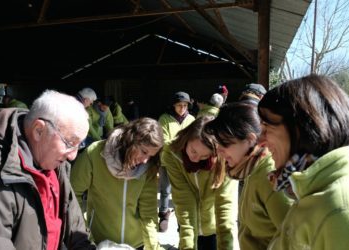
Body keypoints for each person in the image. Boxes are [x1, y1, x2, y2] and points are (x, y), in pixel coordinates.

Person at [0, 90, 96, 249]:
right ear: (38, 130)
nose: (73, 156)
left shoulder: (55, 165)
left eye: (79, 145)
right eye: (69, 143)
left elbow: (76, 231)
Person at [258, 74, 349, 250]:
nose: (260, 141)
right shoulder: (313, 190)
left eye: (266, 127)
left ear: (302, 127)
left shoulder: (343, 212)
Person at [204, 102, 293, 249]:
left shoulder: (270, 177)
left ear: (250, 140)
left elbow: (294, 239)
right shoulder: (251, 169)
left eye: (225, 144)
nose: (219, 151)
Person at [70, 118, 164, 250]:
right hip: (99, 242)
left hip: (136, 244)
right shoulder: (94, 153)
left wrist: (153, 246)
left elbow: (148, 211)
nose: (145, 160)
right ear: (131, 139)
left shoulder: (148, 167)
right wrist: (84, 235)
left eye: (151, 156)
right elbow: (72, 195)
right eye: (144, 152)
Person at [161, 116, 239, 250]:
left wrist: (226, 242)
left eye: (204, 156)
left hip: (214, 226)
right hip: (187, 222)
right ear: (187, 138)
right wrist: (187, 242)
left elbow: (225, 203)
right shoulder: (172, 154)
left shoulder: (225, 158)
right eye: (193, 151)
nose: (196, 159)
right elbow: (183, 197)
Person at [157, 91, 195, 232]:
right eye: (179, 105)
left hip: (186, 162)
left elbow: (194, 138)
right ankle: (163, 214)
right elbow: (165, 140)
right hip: (167, 161)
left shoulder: (191, 119)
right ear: (173, 105)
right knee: (165, 189)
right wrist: (184, 146)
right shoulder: (164, 119)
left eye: (185, 105)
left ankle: (182, 219)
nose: (182, 108)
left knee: (183, 191)